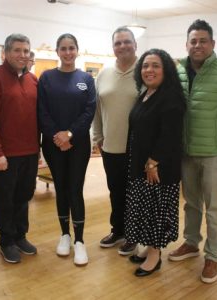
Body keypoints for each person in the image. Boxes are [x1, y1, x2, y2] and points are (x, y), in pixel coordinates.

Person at [168, 19, 217, 284]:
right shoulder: (179, 72)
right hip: (187, 152)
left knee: (215, 209)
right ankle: (191, 243)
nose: (197, 45)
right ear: (187, 44)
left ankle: (213, 257)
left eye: (203, 41)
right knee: (191, 204)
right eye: (193, 41)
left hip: (215, 155)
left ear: (213, 44)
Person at [124, 48, 186, 277]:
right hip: (141, 164)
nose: (149, 70)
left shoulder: (171, 97)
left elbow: (170, 135)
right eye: (145, 66)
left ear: (166, 70)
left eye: (155, 66)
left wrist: (153, 162)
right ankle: (146, 249)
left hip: (158, 168)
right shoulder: (146, 93)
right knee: (144, 209)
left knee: (155, 212)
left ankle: (154, 256)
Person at [0, 33, 39, 264]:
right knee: (5, 199)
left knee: (24, 197)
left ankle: (20, 235)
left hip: (30, 152)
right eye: (17, 50)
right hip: (4, 156)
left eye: (26, 51)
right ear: (6, 52)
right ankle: (6, 241)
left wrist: (39, 149)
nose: (22, 55)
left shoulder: (33, 80)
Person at [38, 33, 96, 266]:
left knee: (75, 189)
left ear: (77, 50)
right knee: (61, 188)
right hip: (53, 144)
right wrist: (58, 136)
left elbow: (89, 110)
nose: (68, 52)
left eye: (72, 48)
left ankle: (80, 241)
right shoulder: (47, 77)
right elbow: (42, 111)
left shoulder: (86, 78)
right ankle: (65, 235)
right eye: (63, 48)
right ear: (57, 51)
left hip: (79, 144)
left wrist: (70, 134)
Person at [92, 26, 138, 255]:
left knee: (135, 193)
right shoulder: (104, 74)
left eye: (126, 41)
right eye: (118, 43)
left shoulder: (145, 70)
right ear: (113, 48)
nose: (123, 46)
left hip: (138, 148)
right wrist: (98, 136)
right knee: (115, 191)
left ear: (135, 44)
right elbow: (97, 109)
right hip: (110, 146)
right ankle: (118, 229)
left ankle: (134, 234)